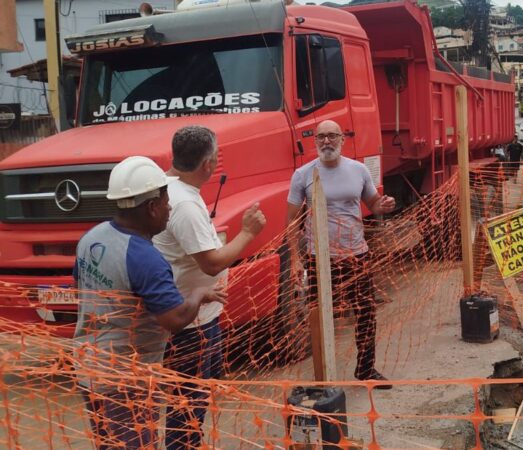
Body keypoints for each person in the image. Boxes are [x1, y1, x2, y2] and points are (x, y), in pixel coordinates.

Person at [73, 156, 224, 449]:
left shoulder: (91, 238)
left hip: (89, 366)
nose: (169, 209)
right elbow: (175, 320)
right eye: (166, 202)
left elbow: (83, 288)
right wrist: (197, 295)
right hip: (125, 380)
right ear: (152, 207)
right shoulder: (145, 257)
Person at [153, 126, 266, 450]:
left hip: (195, 313)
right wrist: (248, 232)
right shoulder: (184, 204)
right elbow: (212, 264)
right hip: (192, 320)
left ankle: (191, 442)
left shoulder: (171, 187)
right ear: (208, 164)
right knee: (186, 404)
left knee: (193, 397)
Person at [286, 120, 396, 389]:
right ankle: (323, 375)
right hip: (319, 258)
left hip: (356, 255)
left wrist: (384, 205)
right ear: (315, 142)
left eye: (332, 136)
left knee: (365, 312)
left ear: (342, 139)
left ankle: (366, 369)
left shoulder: (358, 170)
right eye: (321, 137)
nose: (326, 141)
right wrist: (295, 259)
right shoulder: (303, 174)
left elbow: (372, 204)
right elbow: (291, 223)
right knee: (319, 316)